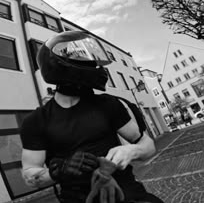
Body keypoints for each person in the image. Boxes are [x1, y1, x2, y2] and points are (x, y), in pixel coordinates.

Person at [20, 31, 164, 203]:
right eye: (89, 62)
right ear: (62, 66)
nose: (96, 67)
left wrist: (132, 150)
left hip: (128, 195)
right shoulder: (36, 121)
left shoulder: (108, 104)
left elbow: (148, 146)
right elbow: (30, 175)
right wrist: (59, 171)